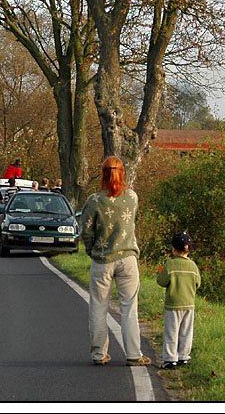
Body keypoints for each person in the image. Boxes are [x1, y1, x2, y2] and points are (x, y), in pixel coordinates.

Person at [79, 156, 150, 367]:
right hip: (127, 258)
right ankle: (134, 354)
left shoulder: (94, 201)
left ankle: (99, 354)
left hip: (102, 259)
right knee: (130, 307)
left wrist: (92, 250)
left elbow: (86, 230)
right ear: (123, 173)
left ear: (103, 174)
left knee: (99, 306)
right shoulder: (132, 197)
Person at [156, 232, 201, 370]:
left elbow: (162, 282)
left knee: (171, 331)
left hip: (173, 305)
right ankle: (184, 356)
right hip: (189, 304)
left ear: (173, 249)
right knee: (186, 332)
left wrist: (159, 273)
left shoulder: (170, 265)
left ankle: (170, 359)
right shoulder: (193, 266)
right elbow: (198, 283)